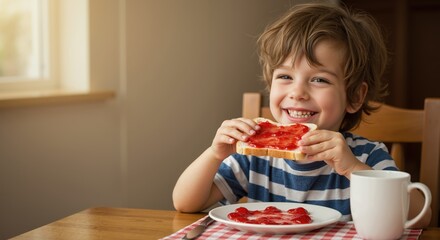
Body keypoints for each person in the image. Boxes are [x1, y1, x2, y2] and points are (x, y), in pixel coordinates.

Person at [173, 3, 431, 227]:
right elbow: (185, 203)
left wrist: (353, 169)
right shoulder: (252, 159)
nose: (297, 92)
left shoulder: (366, 156)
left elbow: (421, 216)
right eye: (285, 76)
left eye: (319, 79)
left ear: (354, 97)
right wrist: (215, 154)